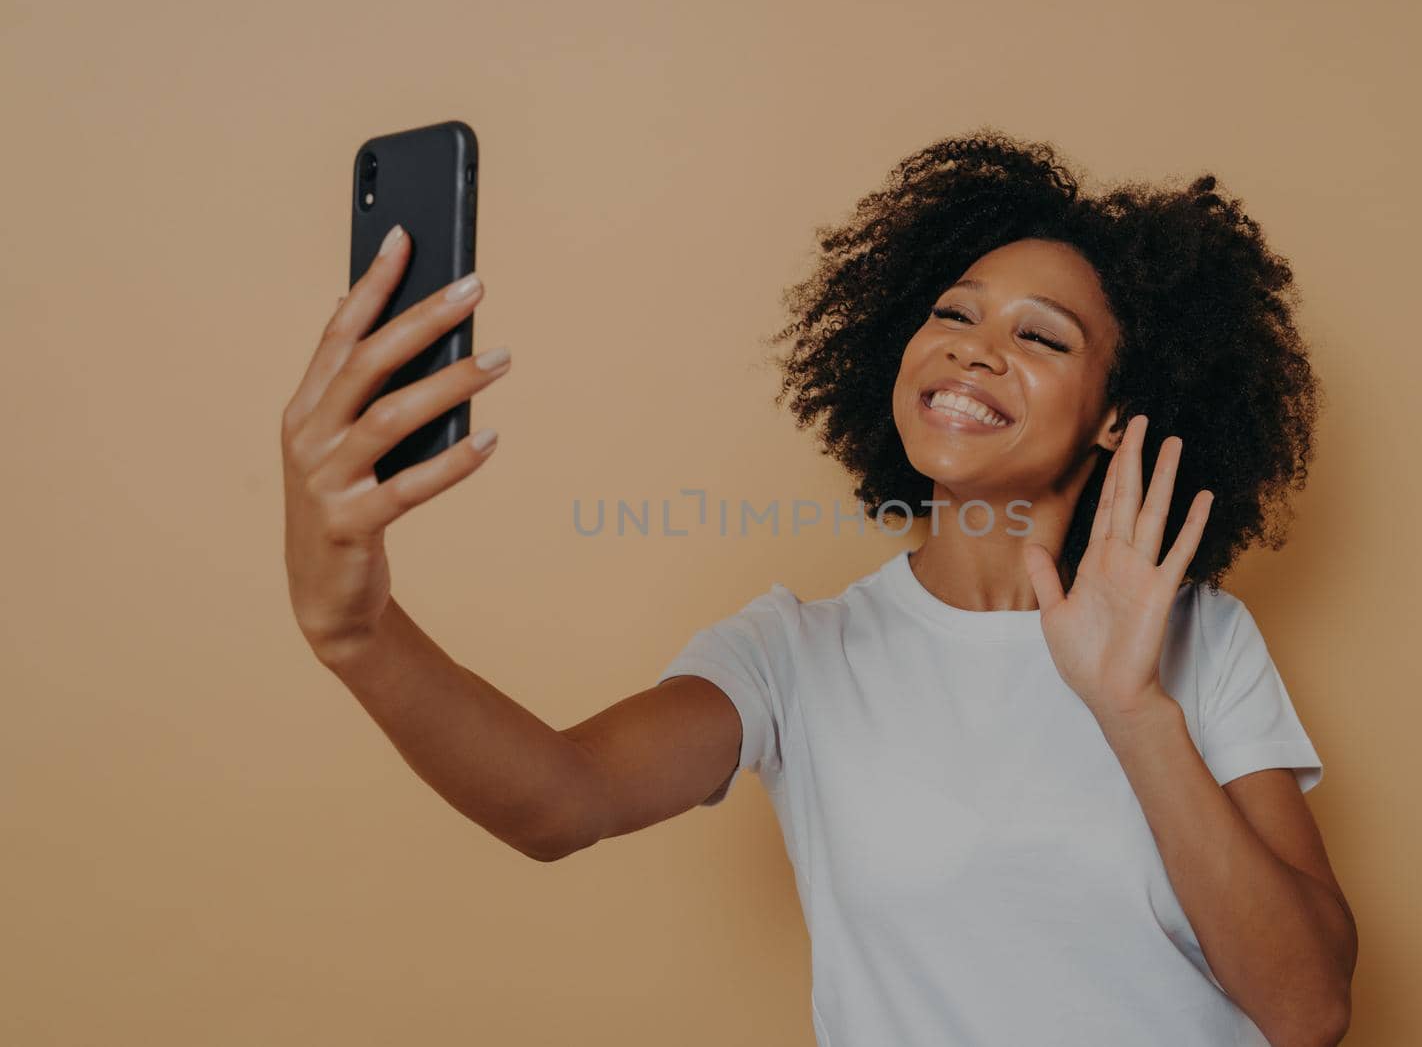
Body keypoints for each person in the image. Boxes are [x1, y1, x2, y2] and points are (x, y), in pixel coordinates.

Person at [281, 128, 1356, 1047]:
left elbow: (1307, 1007)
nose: (974, 352)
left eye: (1038, 336)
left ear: (1117, 413)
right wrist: (358, 633)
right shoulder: (795, 653)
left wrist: (1133, 710)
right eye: (952, 314)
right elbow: (560, 798)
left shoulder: (1199, 641)